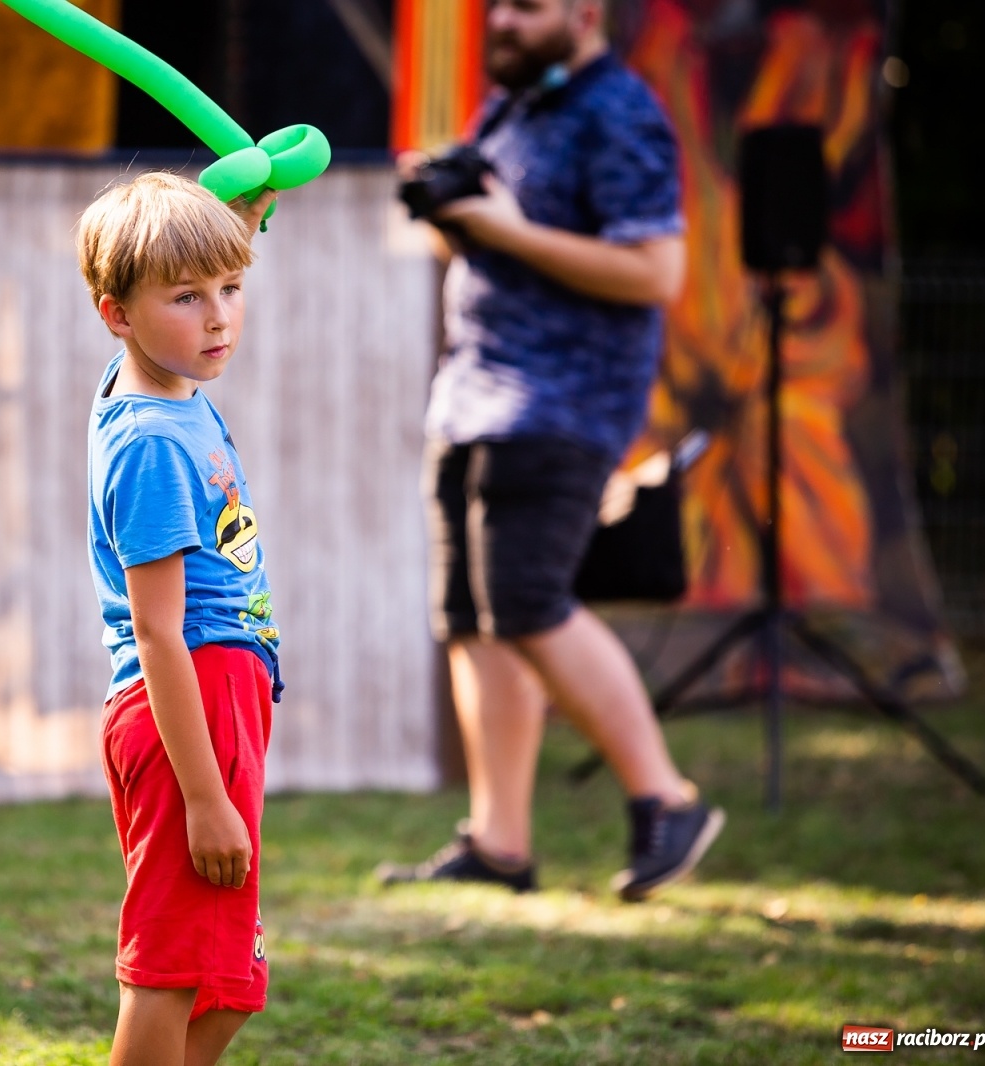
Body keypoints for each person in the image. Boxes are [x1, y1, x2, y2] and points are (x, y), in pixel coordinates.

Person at [375, 0, 724, 901]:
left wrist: (502, 227)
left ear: (584, 13)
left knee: (529, 603)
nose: (503, 23)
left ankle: (666, 798)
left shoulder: (621, 113)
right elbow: (493, 227)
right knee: (471, 618)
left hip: (564, 401)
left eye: (527, 9)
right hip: (470, 394)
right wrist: (452, 206)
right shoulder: (515, 106)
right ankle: (501, 843)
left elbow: (657, 271)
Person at [79, 172, 281, 1066]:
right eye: (188, 298)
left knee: (230, 975)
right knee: (168, 971)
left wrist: (223, 229)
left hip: (220, 700)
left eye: (231, 290)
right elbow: (161, 631)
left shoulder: (148, 387)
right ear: (114, 314)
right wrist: (205, 797)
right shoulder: (155, 443)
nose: (219, 320)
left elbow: (172, 266)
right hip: (190, 702)